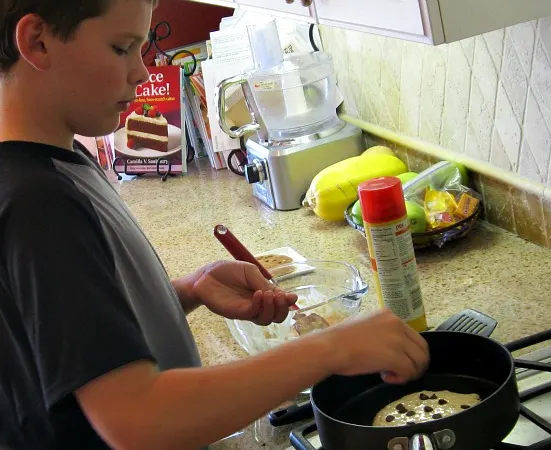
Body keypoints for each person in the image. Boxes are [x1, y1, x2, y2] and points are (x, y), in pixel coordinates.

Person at [0, 0, 430, 449]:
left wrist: (188, 289)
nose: (142, 73)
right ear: (38, 41)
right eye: (122, 47)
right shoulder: (38, 202)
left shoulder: (58, 162)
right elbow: (137, 420)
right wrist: (332, 349)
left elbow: (74, 337)